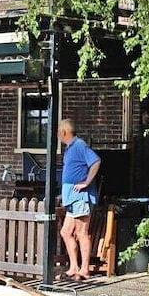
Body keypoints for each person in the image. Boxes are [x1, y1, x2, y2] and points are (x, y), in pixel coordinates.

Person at [58, 119, 101, 281]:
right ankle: (74, 267)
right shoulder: (69, 149)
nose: (57, 135)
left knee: (81, 232)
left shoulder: (79, 145)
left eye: (58, 132)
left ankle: (84, 269)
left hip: (81, 197)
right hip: (72, 197)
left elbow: (96, 161)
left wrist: (86, 182)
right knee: (66, 232)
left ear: (64, 132)